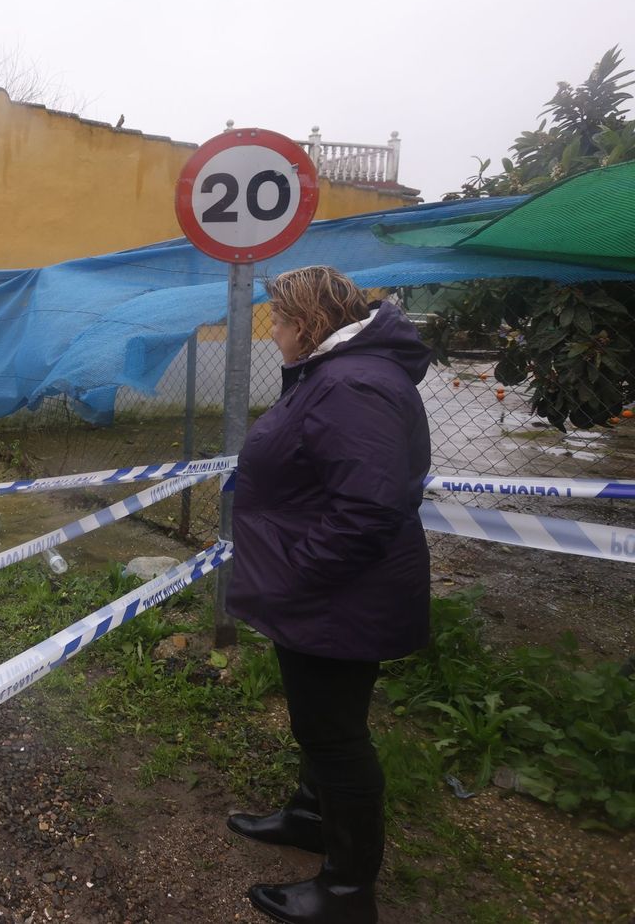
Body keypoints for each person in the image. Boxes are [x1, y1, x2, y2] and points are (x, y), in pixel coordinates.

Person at [225, 266, 432, 924]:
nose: (275, 332)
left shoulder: (351, 384)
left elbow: (367, 512)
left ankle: (346, 891)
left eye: (279, 320)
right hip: (327, 595)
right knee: (322, 727)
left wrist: (294, 576)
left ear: (307, 325)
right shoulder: (340, 375)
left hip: (336, 597)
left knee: (335, 737)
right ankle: (312, 818)